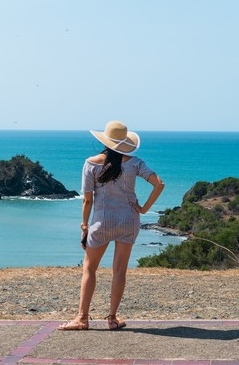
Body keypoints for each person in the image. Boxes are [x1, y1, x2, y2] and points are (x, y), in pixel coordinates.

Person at [58, 120, 165, 331]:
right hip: (128, 220)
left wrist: (84, 227)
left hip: (101, 222)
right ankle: (112, 318)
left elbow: (87, 200)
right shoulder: (135, 163)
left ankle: (82, 318)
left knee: (89, 269)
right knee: (119, 271)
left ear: (105, 140)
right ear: (125, 142)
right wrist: (143, 209)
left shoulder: (91, 163)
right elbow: (159, 184)